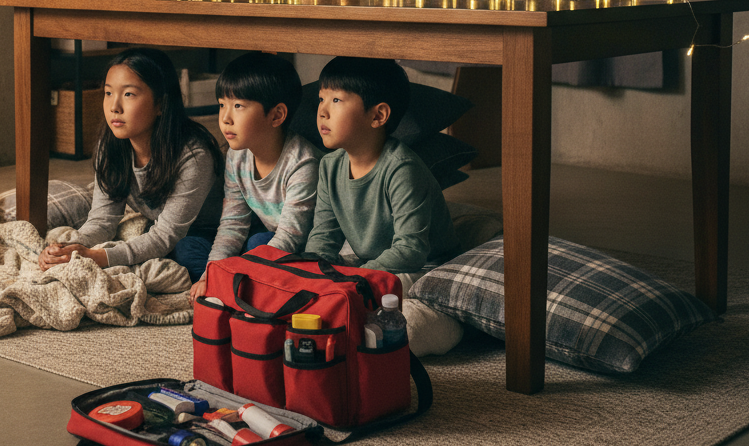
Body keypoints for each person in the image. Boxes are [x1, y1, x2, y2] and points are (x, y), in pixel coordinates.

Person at [304, 55, 464, 355]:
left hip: (422, 270)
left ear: (378, 116)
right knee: (314, 296)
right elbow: (324, 236)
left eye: (336, 100)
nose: (322, 111)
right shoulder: (329, 166)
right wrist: (315, 272)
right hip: (373, 267)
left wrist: (356, 280)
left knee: (403, 328)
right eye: (321, 99)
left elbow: (411, 250)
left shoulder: (401, 169)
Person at [39, 48, 223, 279]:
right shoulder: (111, 146)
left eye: (129, 94)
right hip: (164, 229)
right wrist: (69, 249)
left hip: (211, 232)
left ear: (161, 104)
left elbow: (165, 235)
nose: (114, 106)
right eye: (108, 93)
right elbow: (103, 219)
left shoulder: (193, 155)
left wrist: (100, 257)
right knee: (143, 245)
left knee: (185, 258)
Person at [185, 52, 320, 303]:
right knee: (187, 248)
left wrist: (233, 271)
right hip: (266, 240)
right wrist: (211, 272)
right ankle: (237, 281)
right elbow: (232, 224)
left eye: (238, 106)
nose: (225, 117)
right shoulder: (237, 156)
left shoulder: (302, 163)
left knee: (259, 242)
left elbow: (291, 238)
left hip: (302, 247)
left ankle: (242, 282)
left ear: (276, 115)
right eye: (222, 104)